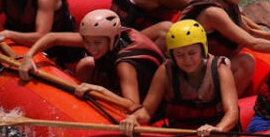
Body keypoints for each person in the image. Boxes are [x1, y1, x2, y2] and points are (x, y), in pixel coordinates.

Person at [20, 9, 164, 112]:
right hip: (118, 82)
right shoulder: (100, 38)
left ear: (112, 39)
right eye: (87, 42)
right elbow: (52, 38)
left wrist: (99, 90)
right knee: (86, 65)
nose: (91, 48)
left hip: (147, 100)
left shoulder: (125, 64)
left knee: (87, 65)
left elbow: (133, 105)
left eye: (97, 43)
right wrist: (29, 55)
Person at [120, 20, 239, 137]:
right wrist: (133, 118)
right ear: (172, 55)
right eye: (180, 55)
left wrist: (218, 129)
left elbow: (232, 112)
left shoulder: (220, 69)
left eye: (192, 53)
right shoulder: (165, 72)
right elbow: (146, 111)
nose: (187, 60)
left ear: (203, 50)